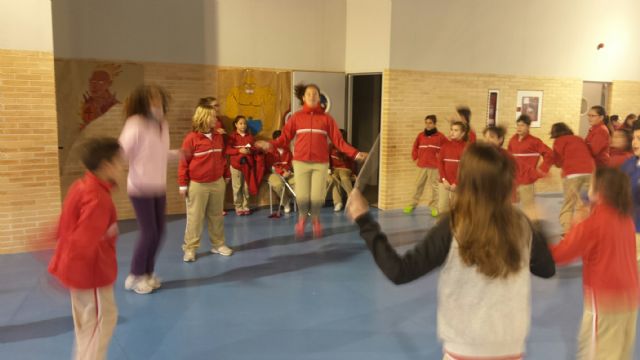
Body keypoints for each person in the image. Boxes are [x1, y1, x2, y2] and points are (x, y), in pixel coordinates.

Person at [346, 142, 555, 359]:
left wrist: (364, 220)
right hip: (510, 350)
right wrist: (539, 227)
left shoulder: (454, 225)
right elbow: (547, 269)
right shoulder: (522, 225)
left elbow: (399, 271)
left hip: (462, 350)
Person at [549, 167, 639, 359]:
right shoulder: (626, 220)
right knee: (621, 354)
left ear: (600, 191)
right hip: (630, 299)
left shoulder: (593, 224)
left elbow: (560, 255)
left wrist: (539, 236)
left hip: (605, 301)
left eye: (591, 183)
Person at [255, 83, 366, 238]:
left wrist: (355, 154)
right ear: (303, 98)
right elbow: (284, 138)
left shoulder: (327, 119)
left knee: (317, 196)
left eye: (315, 94)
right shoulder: (296, 118)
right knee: (301, 195)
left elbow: (339, 142)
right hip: (301, 162)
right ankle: (302, 217)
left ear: (319, 97)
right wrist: (269, 144)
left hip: (320, 163)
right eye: (309, 94)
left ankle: (315, 219)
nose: (312, 96)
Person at [48, 137, 123, 360]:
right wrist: (73, 271)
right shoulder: (98, 198)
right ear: (106, 165)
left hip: (79, 273)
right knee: (103, 320)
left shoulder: (81, 186)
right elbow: (83, 240)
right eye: (119, 161)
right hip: (91, 275)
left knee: (87, 325)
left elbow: (64, 225)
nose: (123, 166)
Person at [119, 84, 176, 294]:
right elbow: (122, 152)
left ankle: (149, 272)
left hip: (158, 186)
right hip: (140, 187)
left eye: (159, 99)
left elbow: (158, 153)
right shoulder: (135, 123)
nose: (157, 103)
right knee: (149, 232)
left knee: (159, 232)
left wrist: (177, 154)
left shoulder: (162, 124)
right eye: (152, 99)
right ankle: (135, 275)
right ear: (143, 102)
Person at [178, 104, 233, 262]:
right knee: (195, 218)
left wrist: (226, 175)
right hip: (197, 185)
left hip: (217, 183)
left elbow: (222, 158)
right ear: (204, 118)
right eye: (213, 116)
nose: (216, 119)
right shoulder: (191, 139)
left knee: (216, 216)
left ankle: (218, 244)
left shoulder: (218, 136)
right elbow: (183, 163)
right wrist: (183, 184)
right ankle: (190, 249)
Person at [549, 122, 595, 234]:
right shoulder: (578, 138)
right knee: (585, 203)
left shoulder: (558, 141)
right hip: (590, 173)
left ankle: (567, 231)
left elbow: (557, 161)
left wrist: (559, 165)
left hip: (572, 174)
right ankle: (586, 230)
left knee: (569, 203)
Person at [507, 114, 553, 215]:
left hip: (527, 180)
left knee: (529, 209)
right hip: (513, 180)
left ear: (528, 127)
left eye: (522, 125)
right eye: (518, 125)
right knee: (511, 208)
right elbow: (508, 158)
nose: (519, 128)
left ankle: (534, 229)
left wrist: (542, 169)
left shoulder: (535, 141)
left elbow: (549, 154)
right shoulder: (512, 140)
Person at [404, 115, 447, 216]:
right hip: (422, 165)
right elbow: (415, 146)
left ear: (435, 124)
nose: (428, 125)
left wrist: (441, 160)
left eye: (430, 123)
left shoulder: (440, 137)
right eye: (426, 123)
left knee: (435, 187)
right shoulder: (420, 135)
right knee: (418, 186)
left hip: (434, 166)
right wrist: (415, 157)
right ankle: (412, 204)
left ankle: (434, 207)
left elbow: (446, 148)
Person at [620, 120, 640, 266]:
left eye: (639, 138)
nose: (635, 143)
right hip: (629, 227)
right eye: (634, 138)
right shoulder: (629, 163)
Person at [227, 116, 256, 215]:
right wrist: (238, 150)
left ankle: (246, 206)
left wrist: (249, 150)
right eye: (240, 123)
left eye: (244, 123)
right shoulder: (232, 137)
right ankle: (238, 207)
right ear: (236, 125)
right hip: (236, 165)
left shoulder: (250, 137)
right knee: (237, 187)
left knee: (247, 187)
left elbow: (254, 150)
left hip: (248, 165)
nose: (243, 125)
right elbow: (227, 150)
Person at [437, 121, 468, 213]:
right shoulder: (445, 146)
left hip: (459, 184)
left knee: (458, 210)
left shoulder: (466, 148)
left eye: (456, 130)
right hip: (444, 183)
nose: (452, 132)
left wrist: (456, 182)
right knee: (442, 209)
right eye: (451, 130)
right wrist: (443, 180)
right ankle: (443, 227)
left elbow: (465, 168)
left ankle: (457, 227)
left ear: (462, 133)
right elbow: (440, 163)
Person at [265, 130, 295, 214]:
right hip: (273, 173)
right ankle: (286, 203)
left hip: (287, 172)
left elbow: (290, 163)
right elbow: (270, 166)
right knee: (278, 184)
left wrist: (288, 170)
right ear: (275, 140)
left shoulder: (287, 149)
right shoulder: (269, 150)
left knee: (299, 182)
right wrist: (281, 172)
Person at [328, 129, 358, 212]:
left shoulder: (347, 147)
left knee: (343, 176)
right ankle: (338, 203)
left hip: (345, 169)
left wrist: (355, 173)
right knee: (333, 178)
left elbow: (353, 162)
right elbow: (328, 160)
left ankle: (351, 200)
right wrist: (328, 169)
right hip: (334, 169)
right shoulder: (330, 147)